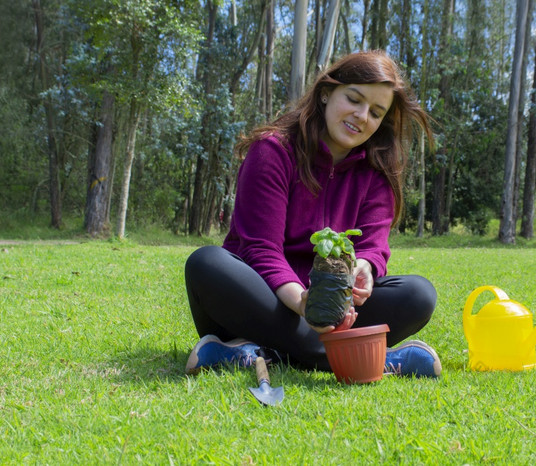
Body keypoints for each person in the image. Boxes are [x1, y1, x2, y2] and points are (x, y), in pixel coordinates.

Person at [184, 50, 441, 377]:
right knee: (206, 264)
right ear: (325, 93)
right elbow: (261, 251)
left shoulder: (377, 175)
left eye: (376, 112)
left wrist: (363, 269)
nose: (362, 116)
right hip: (262, 299)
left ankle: (252, 353)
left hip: (334, 305)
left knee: (418, 295)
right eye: (354, 99)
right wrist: (305, 304)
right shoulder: (272, 152)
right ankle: (369, 359)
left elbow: (373, 248)